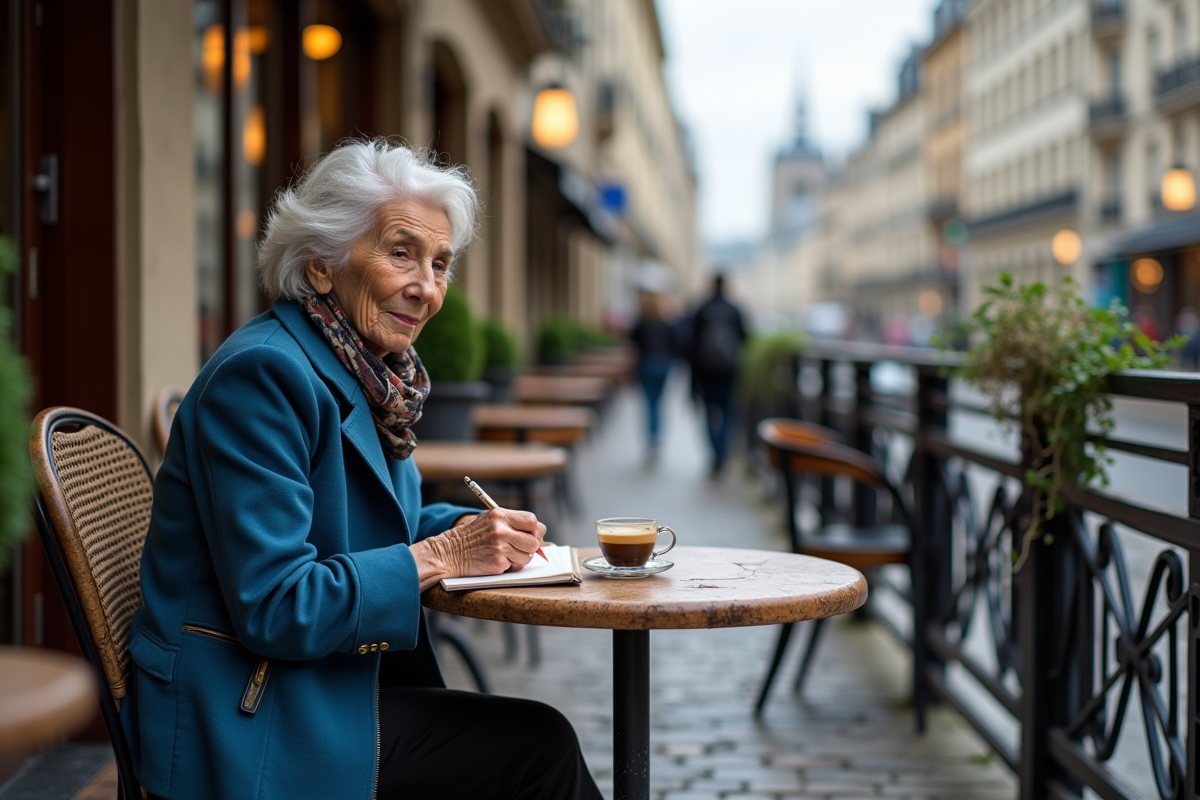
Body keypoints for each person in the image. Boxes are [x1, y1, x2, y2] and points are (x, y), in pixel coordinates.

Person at [121, 139, 602, 800]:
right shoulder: (263, 376)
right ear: (321, 264)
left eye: (440, 263)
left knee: (537, 741)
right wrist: (442, 555)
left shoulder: (368, 372)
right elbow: (278, 605)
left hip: (315, 685)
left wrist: (478, 534)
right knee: (539, 749)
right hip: (246, 718)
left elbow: (380, 523)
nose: (427, 288)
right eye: (401, 253)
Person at [688, 274, 747, 476]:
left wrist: (692, 381)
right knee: (728, 413)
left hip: (706, 372)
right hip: (729, 370)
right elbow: (745, 339)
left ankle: (715, 453)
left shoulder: (703, 309)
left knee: (709, 414)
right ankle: (723, 452)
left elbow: (692, 345)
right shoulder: (734, 309)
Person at [629, 290, 677, 465]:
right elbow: (675, 345)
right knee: (659, 405)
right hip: (663, 366)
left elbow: (632, 344)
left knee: (650, 405)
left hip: (646, 365)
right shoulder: (666, 324)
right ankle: (656, 440)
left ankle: (651, 441)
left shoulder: (641, 324)